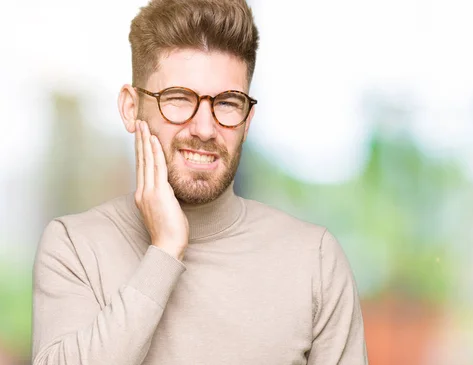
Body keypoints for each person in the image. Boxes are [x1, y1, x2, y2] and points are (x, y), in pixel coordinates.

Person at [31, 0, 367, 364]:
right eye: (178, 99)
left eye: (226, 103)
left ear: (247, 118)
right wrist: (165, 250)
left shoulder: (314, 260)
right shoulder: (74, 247)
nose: (205, 129)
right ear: (131, 108)